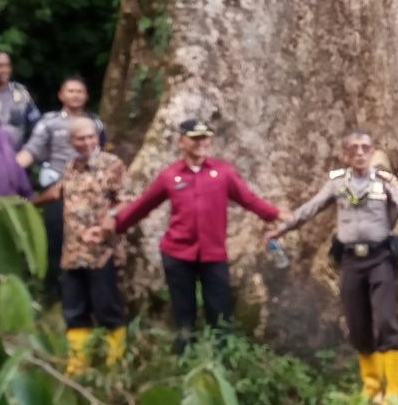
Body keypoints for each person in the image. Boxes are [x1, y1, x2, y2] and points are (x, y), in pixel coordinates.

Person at [270, 130, 398, 404]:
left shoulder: (387, 184)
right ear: (345, 155)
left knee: (386, 321)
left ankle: (393, 392)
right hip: (351, 261)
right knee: (357, 323)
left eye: (365, 148)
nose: (360, 153)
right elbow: (310, 208)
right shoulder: (338, 185)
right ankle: (371, 387)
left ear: (372, 152)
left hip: (380, 259)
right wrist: (280, 230)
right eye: (354, 148)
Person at [90, 119, 283, 352]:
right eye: (195, 138)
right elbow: (143, 205)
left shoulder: (223, 172)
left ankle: (221, 363)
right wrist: (113, 224)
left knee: (219, 311)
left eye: (205, 138)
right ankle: (184, 359)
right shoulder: (170, 176)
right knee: (184, 312)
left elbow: (248, 199)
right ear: (181, 141)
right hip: (178, 254)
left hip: (213, 254)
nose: (202, 143)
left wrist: (275, 215)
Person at [17, 76, 107, 302]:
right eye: (70, 91)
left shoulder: (95, 123)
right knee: (56, 239)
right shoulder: (49, 122)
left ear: (86, 96)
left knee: (90, 240)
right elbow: (32, 150)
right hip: (56, 189)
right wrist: (9, 170)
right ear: (61, 95)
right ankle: (51, 294)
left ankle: (84, 294)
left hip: (90, 191)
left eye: (80, 91)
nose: (75, 95)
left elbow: (102, 154)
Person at [58, 118, 129, 375]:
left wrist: (106, 222)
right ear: (71, 142)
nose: (87, 142)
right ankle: (77, 365)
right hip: (72, 252)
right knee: (74, 309)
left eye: (91, 137)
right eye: (80, 138)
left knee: (107, 307)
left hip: (101, 251)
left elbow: (127, 202)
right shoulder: (70, 166)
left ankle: (114, 365)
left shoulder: (112, 165)